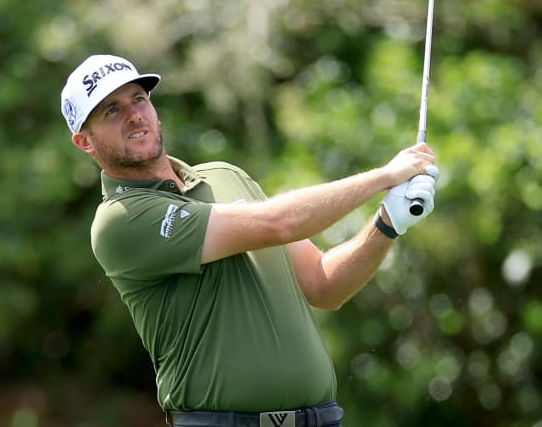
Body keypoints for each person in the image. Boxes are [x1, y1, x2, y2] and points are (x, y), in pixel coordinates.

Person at [60, 54, 438, 427]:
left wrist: (387, 222)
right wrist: (384, 177)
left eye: (139, 99)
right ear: (84, 142)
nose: (134, 115)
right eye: (111, 110)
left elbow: (324, 284)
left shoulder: (225, 176)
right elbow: (279, 223)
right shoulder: (120, 220)